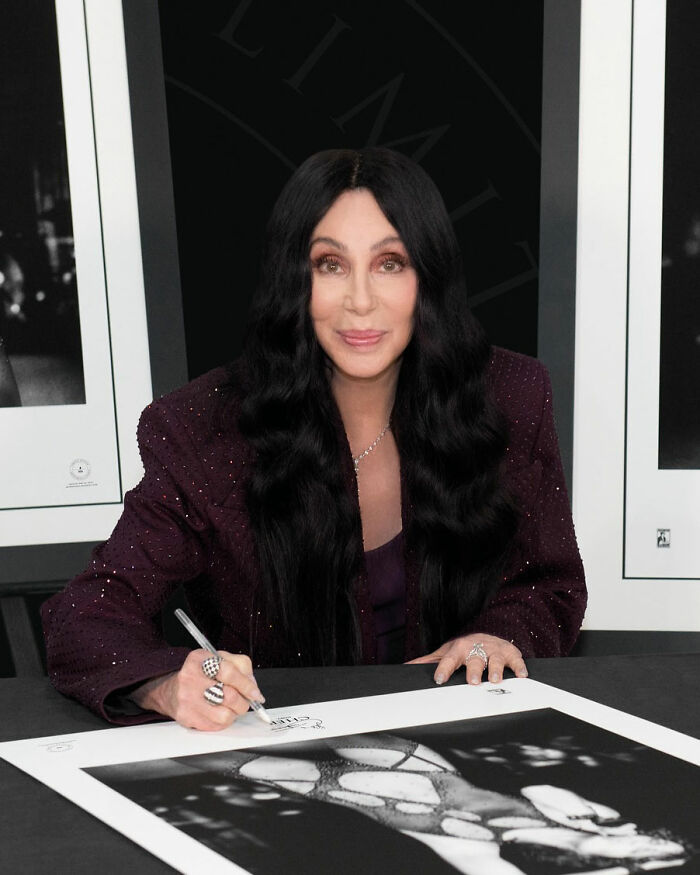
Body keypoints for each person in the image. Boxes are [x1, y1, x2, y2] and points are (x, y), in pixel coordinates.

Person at [42, 148, 586, 729]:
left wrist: (499, 635)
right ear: (293, 279)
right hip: (282, 760)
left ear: (429, 276)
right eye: (330, 265)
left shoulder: (511, 396)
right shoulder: (202, 429)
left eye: (390, 263)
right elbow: (86, 614)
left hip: (470, 739)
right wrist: (162, 683)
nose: (359, 300)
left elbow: (547, 581)